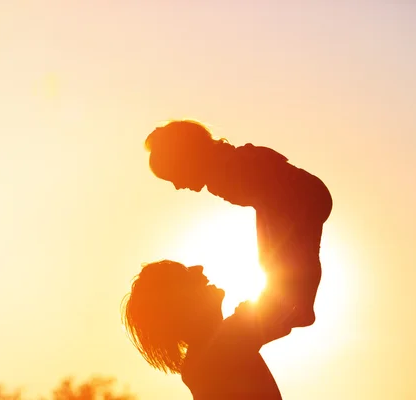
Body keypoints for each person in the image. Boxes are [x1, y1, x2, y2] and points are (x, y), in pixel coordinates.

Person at [144, 120, 333, 328]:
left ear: (188, 160)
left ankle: (294, 304)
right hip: (291, 203)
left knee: (284, 259)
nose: (178, 186)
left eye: (175, 176)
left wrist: (273, 245)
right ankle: (297, 304)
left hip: (299, 199)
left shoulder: (226, 168)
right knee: (287, 258)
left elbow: (270, 192)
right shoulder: (221, 170)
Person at [122, 260, 296, 400]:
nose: (199, 268)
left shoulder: (200, 360)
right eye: (185, 276)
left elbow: (289, 310)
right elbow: (286, 295)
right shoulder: (223, 344)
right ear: (182, 306)